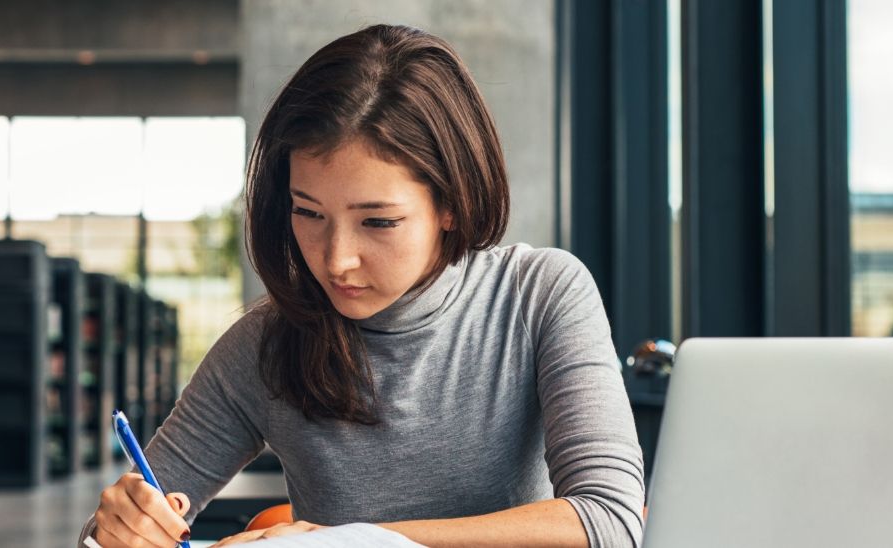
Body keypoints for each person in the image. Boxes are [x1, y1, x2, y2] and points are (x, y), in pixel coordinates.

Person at [81, 23, 644, 547]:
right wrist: (115, 529)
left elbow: (610, 520)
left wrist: (346, 541)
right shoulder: (263, 344)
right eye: (308, 212)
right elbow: (121, 527)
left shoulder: (539, 294)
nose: (336, 260)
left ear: (451, 202)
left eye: (377, 221)